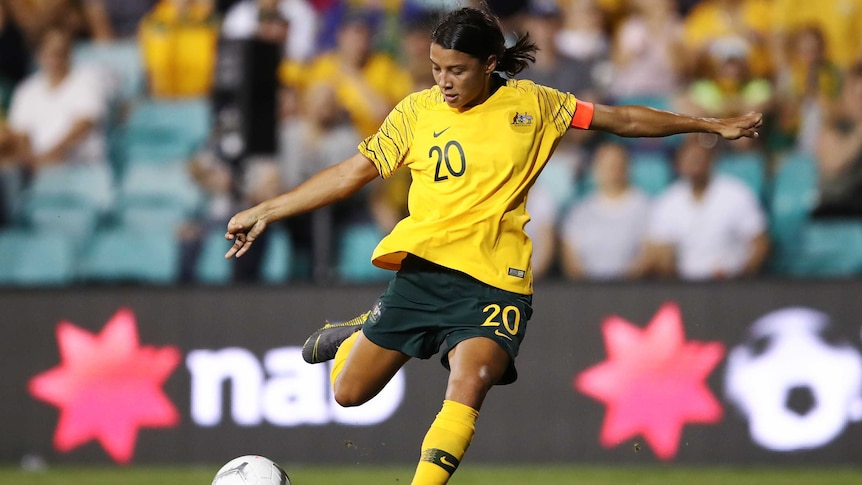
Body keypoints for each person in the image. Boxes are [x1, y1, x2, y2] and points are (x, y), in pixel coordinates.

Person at [224, 8, 762, 484]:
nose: (444, 81)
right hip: (423, 273)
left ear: (489, 62)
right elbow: (350, 173)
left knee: (472, 377)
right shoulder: (416, 111)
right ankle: (362, 330)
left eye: (456, 70)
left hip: (495, 278)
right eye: (436, 69)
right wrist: (266, 210)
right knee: (348, 393)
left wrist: (709, 125)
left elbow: (621, 119)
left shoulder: (537, 106)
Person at [645, 135, 769, 280]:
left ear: (710, 160)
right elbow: (657, 249)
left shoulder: (737, 194)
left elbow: (760, 243)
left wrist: (742, 275)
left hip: (731, 283)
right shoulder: (667, 202)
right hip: (684, 286)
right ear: (678, 164)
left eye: (698, 158)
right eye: (689, 159)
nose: (694, 164)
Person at [559, 142, 652, 281]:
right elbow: (571, 260)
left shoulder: (644, 207)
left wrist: (619, 285)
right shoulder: (579, 211)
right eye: (607, 165)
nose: (612, 171)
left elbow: (649, 253)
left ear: (627, 167)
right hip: (587, 292)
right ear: (595, 169)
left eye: (616, 165)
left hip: (631, 290)